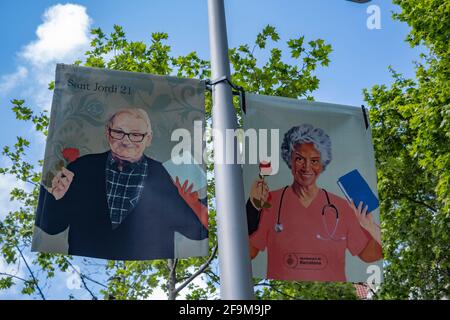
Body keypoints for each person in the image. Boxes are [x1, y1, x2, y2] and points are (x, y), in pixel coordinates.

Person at [34, 108, 208, 260]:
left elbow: (197, 234)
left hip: (149, 273)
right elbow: (51, 227)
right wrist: (54, 199)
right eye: (118, 132)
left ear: (148, 138)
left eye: (136, 135)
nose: (126, 141)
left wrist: (191, 202)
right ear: (107, 132)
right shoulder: (81, 167)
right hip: (86, 267)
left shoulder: (169, 176)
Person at [246, 124, 382, 282]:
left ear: (323, 164)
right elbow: (248, 253)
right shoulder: (270, 201)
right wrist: (252, 207)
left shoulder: (343, 207)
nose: (307, 167)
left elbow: (370, 255)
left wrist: (371, 227)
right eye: (299, 159)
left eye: (315, 160)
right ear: (289, 160)